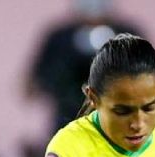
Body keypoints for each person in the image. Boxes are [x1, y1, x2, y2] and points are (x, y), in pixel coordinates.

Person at [27, 0, 143, 132]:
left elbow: (149, 74)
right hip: (69, 115)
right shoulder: (59, 39)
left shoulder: (128, 36)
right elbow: (37, 78)